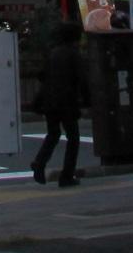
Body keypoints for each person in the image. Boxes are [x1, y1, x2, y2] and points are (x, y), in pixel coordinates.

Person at [28, 18, 88, 187]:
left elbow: (42, 75)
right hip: (67, 101)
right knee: (73, 138)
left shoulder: (53, 52)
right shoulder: (73, 54)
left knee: (53, 133)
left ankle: (39, 162)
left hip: (49, 100)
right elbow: (81, 79)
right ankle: (66, 175)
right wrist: (88, 100)